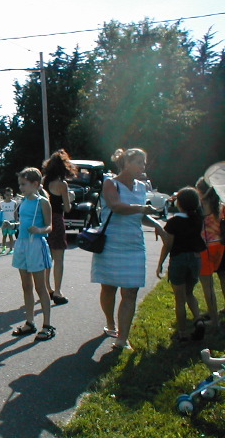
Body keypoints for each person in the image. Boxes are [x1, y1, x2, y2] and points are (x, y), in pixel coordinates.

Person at [91, 148, 164, 351]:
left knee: (130, 292)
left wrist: (157, 225)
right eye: (139, 162)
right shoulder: (110, 183)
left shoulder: (141, 187)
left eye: (144, 162)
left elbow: (139, 215)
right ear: (126, 163)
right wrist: (142, 209)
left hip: (134, 244)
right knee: (109, 288)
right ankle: (110, 323)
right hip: (111, 243)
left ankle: (122, 338)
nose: (143, 166)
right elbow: (116, 206)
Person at [156, 187, 207, 342]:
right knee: (189, 293)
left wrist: (160, 264)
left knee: (179, 299)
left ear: (180, 203)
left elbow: (168, 245)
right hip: (195, 259)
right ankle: (198, 319)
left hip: (179, 259)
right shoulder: (199, 219)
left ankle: (183, 333)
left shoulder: (174, 222)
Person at [10, 167, 55, 341]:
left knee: (40, 287)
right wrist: (12, 225)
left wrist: (39, 230)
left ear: (35, 184)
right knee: (26, 286)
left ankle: (47, 325)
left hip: (36, 245)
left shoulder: (42, 202)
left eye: (24, 184)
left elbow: (50, 227)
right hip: (21, 244)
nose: (21, 188)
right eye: (20, 184)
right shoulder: (23, 202)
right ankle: (29, 322)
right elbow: (21, 223)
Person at [42, 149, 77, 305]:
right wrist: (70, 197)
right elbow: (68, 208)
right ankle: (57, 291)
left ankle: (47, 288)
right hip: (57, 219)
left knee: (47, 257)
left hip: (44, 220)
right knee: (59, 258)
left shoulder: (44, 181)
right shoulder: (62, 184)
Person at [195, 177, 225, 329]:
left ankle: (214, 319)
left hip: (204, 248)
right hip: (221, 247)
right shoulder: (220, 205)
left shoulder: (199, 207)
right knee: (223, 279)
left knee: (208, 286)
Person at [0, 187, 17, 255]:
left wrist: (16, 221)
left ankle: (11, 248)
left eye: (10, 195)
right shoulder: (1, 203)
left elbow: (15, 212)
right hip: (4, 222)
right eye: (7, 195)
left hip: (11, 221)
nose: (9, 196)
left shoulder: (14, 203)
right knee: (4, 235)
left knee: (11, 235)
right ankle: (3, 248)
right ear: (5, 195)